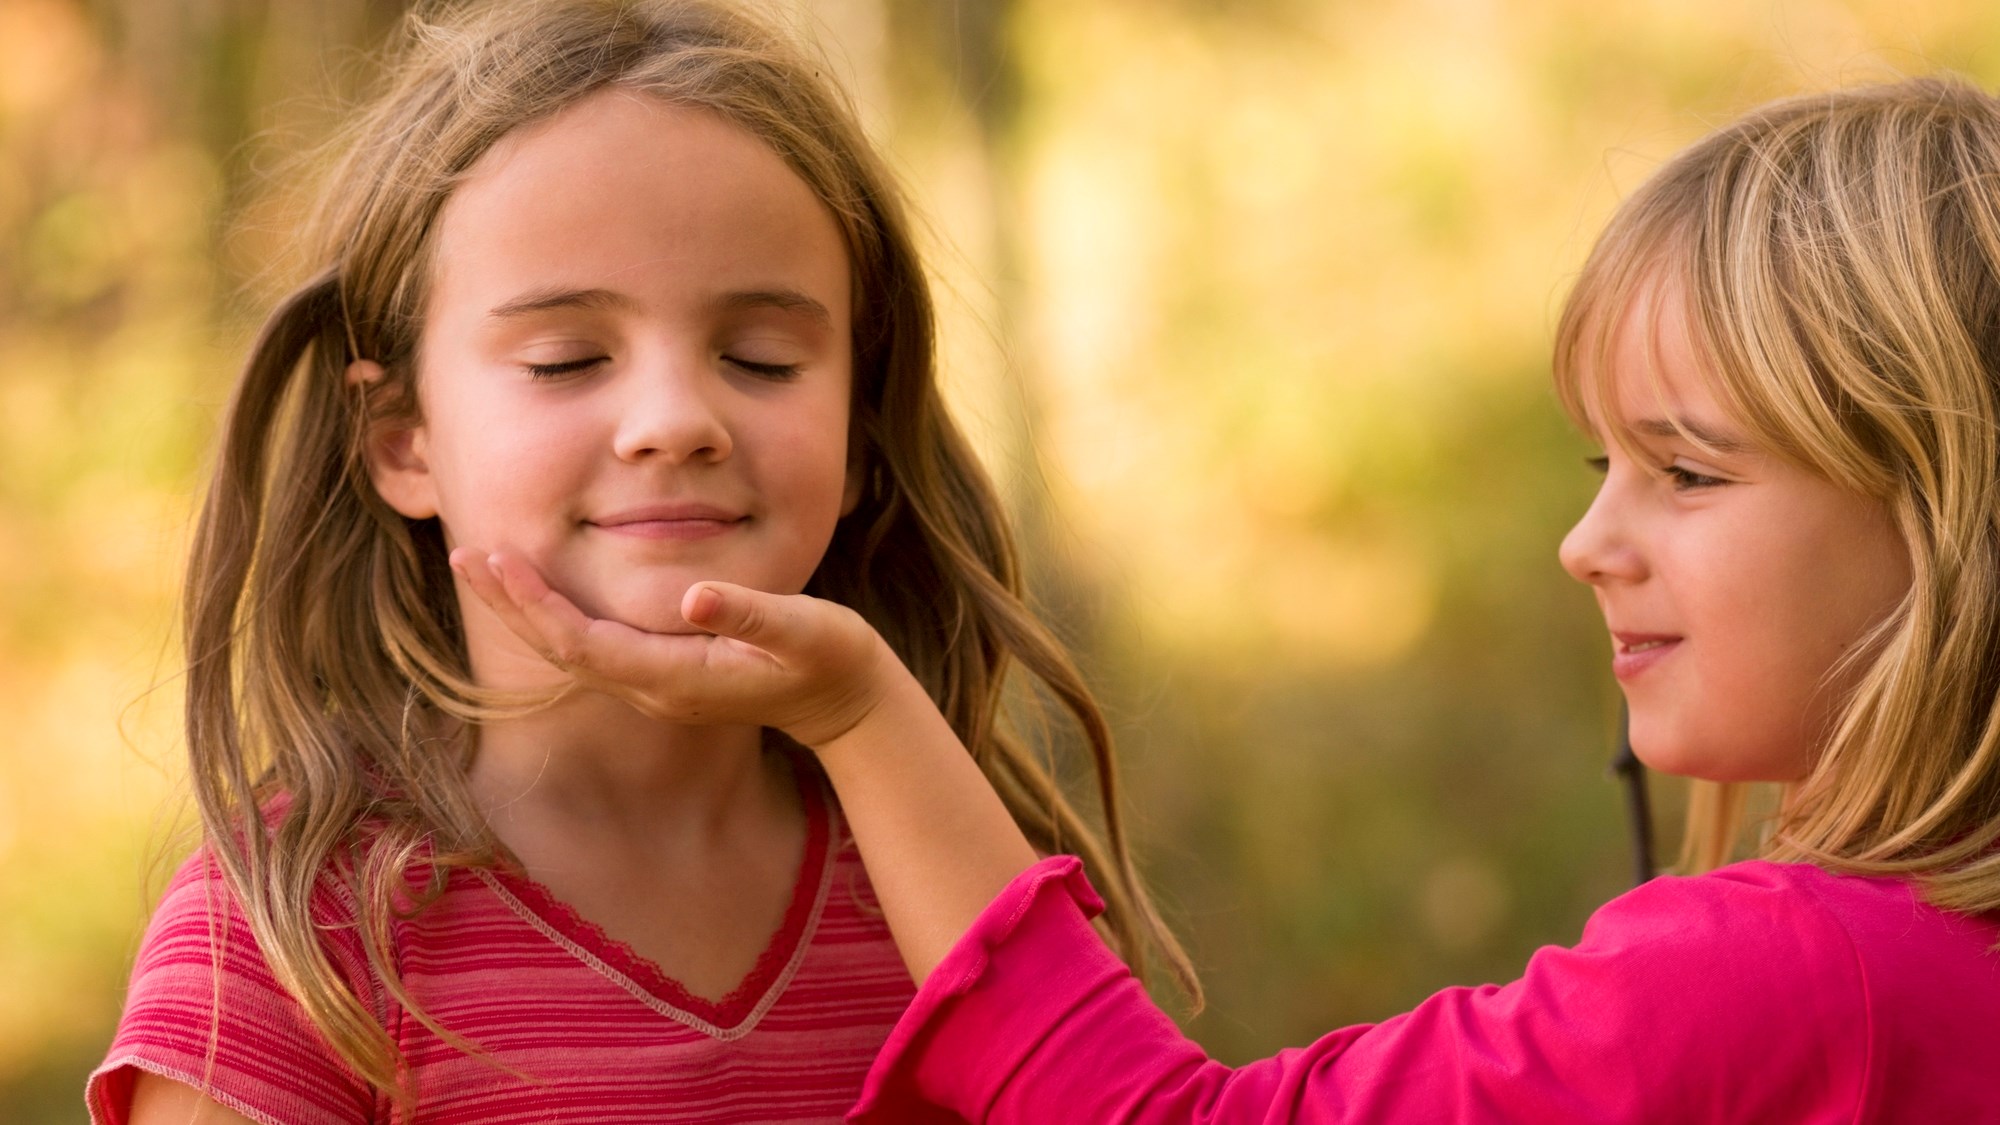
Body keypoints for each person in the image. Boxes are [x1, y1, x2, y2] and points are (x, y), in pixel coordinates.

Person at [457, 76, 2000, 1121]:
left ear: (1950, 513)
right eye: (1601, 463)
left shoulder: (1799, 982)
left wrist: (859, 711)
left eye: (1689, 471)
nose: (1588, 543)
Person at [86, 2, 1196, 1122]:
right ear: (402, 444)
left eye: (759, 359)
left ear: (861, 435)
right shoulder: (292, 945)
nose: (674, 419)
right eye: (567, 360)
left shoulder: (953, 881)